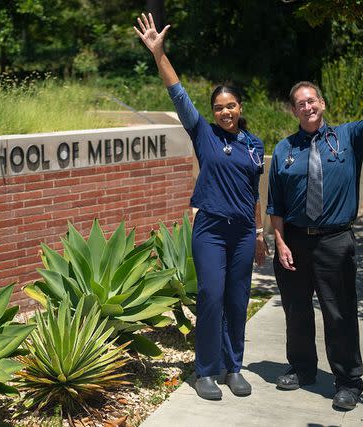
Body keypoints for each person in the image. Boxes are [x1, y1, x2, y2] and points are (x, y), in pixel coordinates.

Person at [267, 56, 363, 410]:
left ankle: (349, 381)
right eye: (300, 103)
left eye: (312, 100)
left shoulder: (347, 137)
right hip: (293, 239)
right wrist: (278, 241)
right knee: (296, 310)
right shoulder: (284, 150)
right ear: (294, 111)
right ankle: (303, 368)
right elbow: (274, 203)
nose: (307, 106)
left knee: (339, 312)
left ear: (322, 104)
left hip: (335, 240)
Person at [134, 13, 269, 400]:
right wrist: (159, 53)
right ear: (213, 112)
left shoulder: (254, 144)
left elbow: (254, 190)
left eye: (231, 105)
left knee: (237, 298)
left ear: (240, 107)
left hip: (244, 231)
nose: (225, 112)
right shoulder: (203, 133)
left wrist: (259, 233)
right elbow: (177, 92)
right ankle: (205, 371)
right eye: (219, 107)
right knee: (211, 295)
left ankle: (233, 367)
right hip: (210, 227)